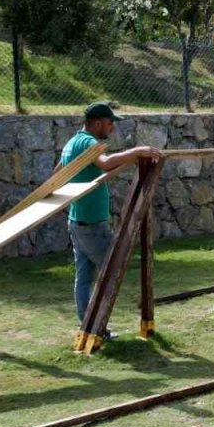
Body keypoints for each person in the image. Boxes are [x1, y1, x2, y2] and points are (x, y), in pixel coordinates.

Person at [60, 102, 162, 338]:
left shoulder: (72, 142)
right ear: (96, 123)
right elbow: (105, 163)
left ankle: (87, 325)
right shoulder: (88, 142)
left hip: (77, 220)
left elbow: (59, 171)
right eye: (109, 123)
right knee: (111, 273)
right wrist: (137, 152)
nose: (112, 128)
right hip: (91, 223)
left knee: (84, 277)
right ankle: (97, 328)